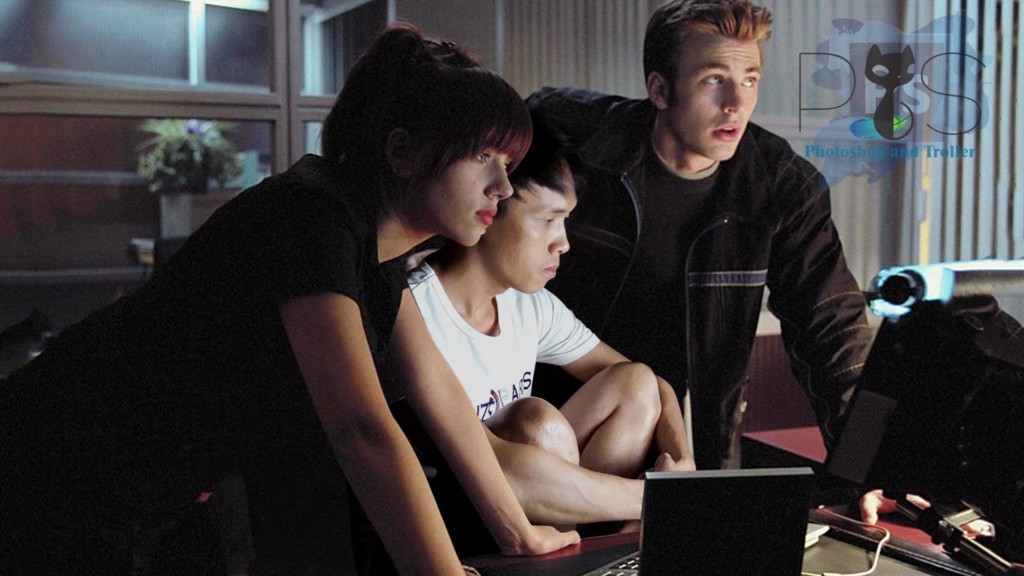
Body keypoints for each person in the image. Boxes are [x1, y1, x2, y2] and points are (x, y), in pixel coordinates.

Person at [0, 23, 577, 576]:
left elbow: (440, 393)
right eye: (482, 157)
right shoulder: (311, 217)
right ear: (402, 152)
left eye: (508, 165)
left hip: (137, 492)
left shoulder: (377, 253)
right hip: (46, 461)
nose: (503, 187)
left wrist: (518, 534)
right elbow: (361, 431)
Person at [527, 0, 875, 469]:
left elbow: (832, 330)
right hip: (549, 419)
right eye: (714, 80)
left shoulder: (781, 186)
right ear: (660, 89)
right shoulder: (579, 137)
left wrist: (868, 467)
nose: (736, 103)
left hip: (692, 438)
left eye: (749, 79)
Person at [390, 113, 695, 557]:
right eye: (549, 220)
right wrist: (657, 498)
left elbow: (650, 383)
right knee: (536, 424)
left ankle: (607, 551)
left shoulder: (528, 305)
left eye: (565, 221)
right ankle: (612, 541)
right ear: (488, 210)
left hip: (548, 511)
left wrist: (681, 461)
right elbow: (501, 467)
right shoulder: (414, 309)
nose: (563, 242)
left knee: (635, 383)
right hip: (461, 527)